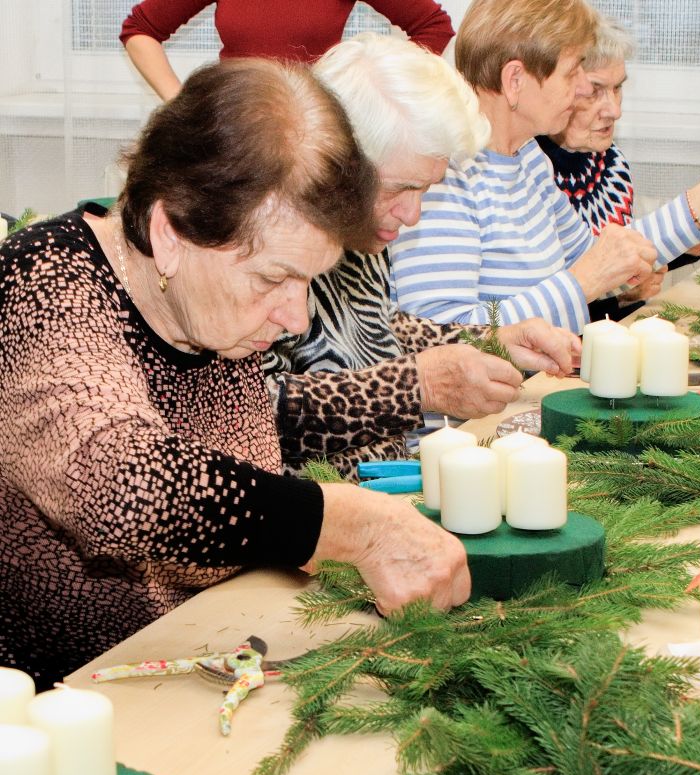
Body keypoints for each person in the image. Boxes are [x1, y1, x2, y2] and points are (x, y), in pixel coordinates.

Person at [0, 59, 470, 690]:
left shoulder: (216, 303)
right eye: (275, 278)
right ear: (170, 233)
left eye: (309, 281)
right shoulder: (44, 283)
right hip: (64, 700)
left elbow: (245, 472)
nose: (297, 317)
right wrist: (350, 524)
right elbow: (122, 488)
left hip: (213, 655)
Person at [263, 35, 581, 476]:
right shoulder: (266, 243)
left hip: (384, 486)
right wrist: (416, 387)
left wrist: (488, 339)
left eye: (425, 189)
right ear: (339, 160)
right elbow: (257, 408)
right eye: (400, 189)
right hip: (318, 504)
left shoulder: (359, 230)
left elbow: (379, 328)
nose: (412, 215)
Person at [390, 0, 700, 335]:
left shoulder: (527, 158)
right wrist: (582, 283)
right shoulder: (444, 175)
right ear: (515, 81)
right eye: (572, 72)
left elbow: (594, 257)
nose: (582, 89)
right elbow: (446, 337)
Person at [535, 14, 700, 321]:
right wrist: (619, 300)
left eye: (617, 88)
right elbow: (544, 309)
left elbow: (622, 261)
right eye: (595, 90)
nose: (615, 110)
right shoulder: (531, 169)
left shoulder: (611, 160)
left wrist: (688, 244)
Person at [120, 0, 455, 101]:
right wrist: (182, 104)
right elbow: (140, 30)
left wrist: (372, 94)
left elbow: (433, 26)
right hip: (233, 135)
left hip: (313, 139)